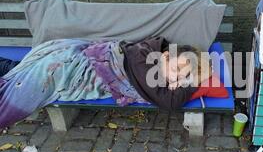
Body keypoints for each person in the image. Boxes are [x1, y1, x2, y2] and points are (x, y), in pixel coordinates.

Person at [0, 36, 212, 112]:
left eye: (182, 77)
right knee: (16, 89)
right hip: (72, 68)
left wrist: (184, 80)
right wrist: (192, 83)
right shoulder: (142, 60)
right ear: (165, 56)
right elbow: (170, 103)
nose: (175, 79)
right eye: (176, 70)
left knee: (16, 70)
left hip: (79, 58)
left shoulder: (153, 57)